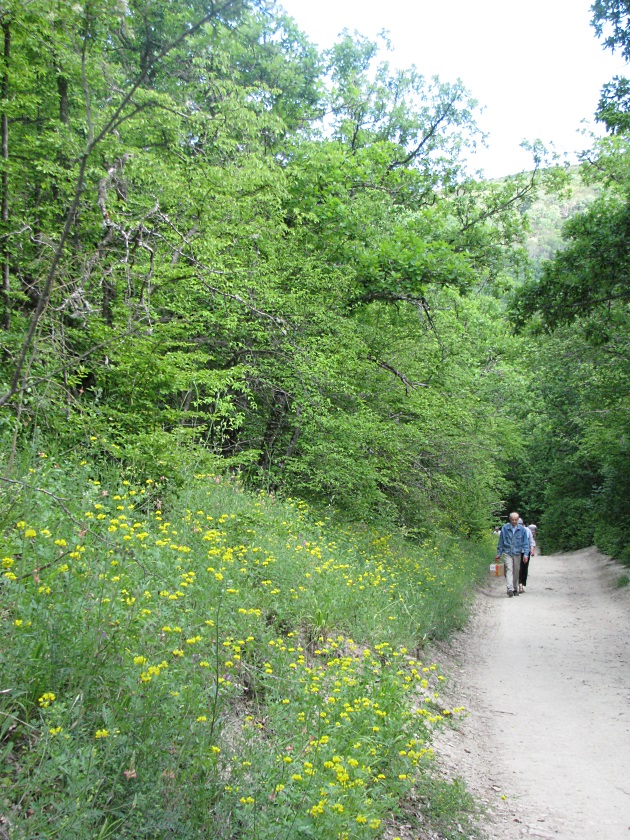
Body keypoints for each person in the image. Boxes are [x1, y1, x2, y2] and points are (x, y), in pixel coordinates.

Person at [496, 512, 530, 598]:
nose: (514, 521)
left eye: (516, 520)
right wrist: (499, 553)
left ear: (518, 520)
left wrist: (526, 554)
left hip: (517, 553)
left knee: (516, 571)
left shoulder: (522, 530)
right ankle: (509, 589)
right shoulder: (505, 528)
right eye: (512, 519)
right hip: (507, 552)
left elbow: (525, 543)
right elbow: (501, 542)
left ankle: (515, 588)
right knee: (509, 569)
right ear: (510, 519)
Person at [518, 521, 535, 593]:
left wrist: (532, 549)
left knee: (524, 568)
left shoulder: (527, 530)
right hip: (516, 552)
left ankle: (522, 583)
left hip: (525, 552)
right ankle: (519, 584)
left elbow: (531, 541)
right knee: (517, 568)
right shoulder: (514, 530)